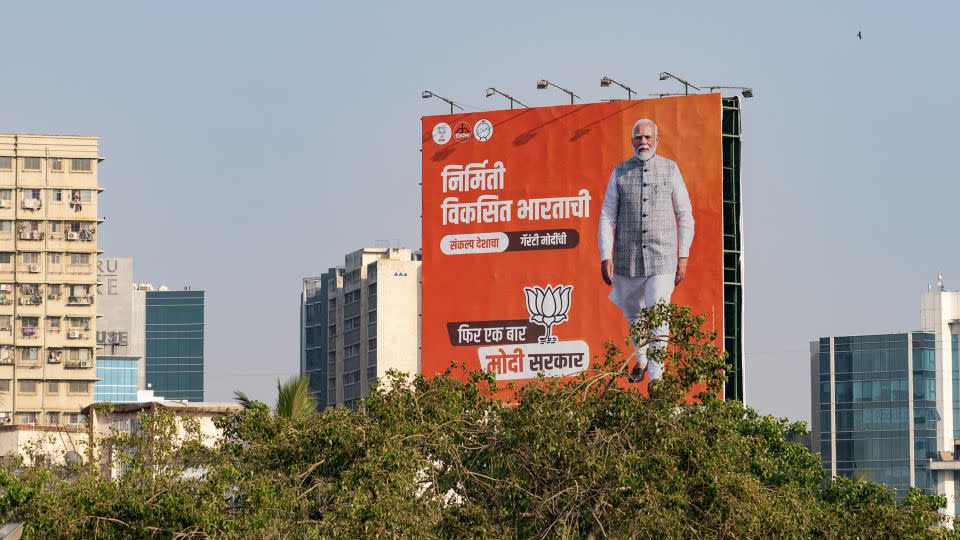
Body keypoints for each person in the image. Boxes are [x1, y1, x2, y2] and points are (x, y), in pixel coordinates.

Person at [598, 118, 694, 383]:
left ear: (657, 139)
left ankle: (656, 378)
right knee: (634, 312)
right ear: (632, 142)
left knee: (657, 310)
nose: (643, 142)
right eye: (638, 138)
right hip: (627, 257)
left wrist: (682, 255)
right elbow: (607, 215)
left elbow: (685, 214)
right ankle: (640, 360)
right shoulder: (620, 172)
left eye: (648, 137)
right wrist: (605, 254)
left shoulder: (670, 169)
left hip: (662, 256)